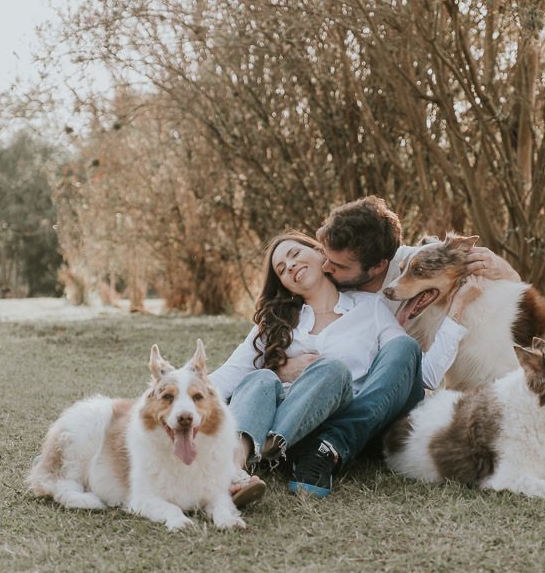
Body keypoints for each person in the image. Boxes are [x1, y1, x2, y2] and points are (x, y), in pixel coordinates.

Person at [210, 231, 480, 502]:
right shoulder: (274, 322)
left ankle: (314, 447)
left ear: (320, 254)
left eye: (294, 255)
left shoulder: (370, 307)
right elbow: (230, 373)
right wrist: (179, 396)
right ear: (284, 284)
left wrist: (457, 305)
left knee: (386, 353)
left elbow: (425, 374)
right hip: (292, 415)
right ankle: (236, 469)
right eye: (281, 269)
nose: (290, 266)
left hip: (351, 424)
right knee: (261, 379)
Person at [275, 195, 520, 391]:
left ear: (379, 266)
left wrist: (502, 268)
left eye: (338, 266)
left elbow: (512, 286)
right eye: (324, 256)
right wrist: (284, 369)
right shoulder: (319, 282)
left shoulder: (418, 270)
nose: (326, 268)